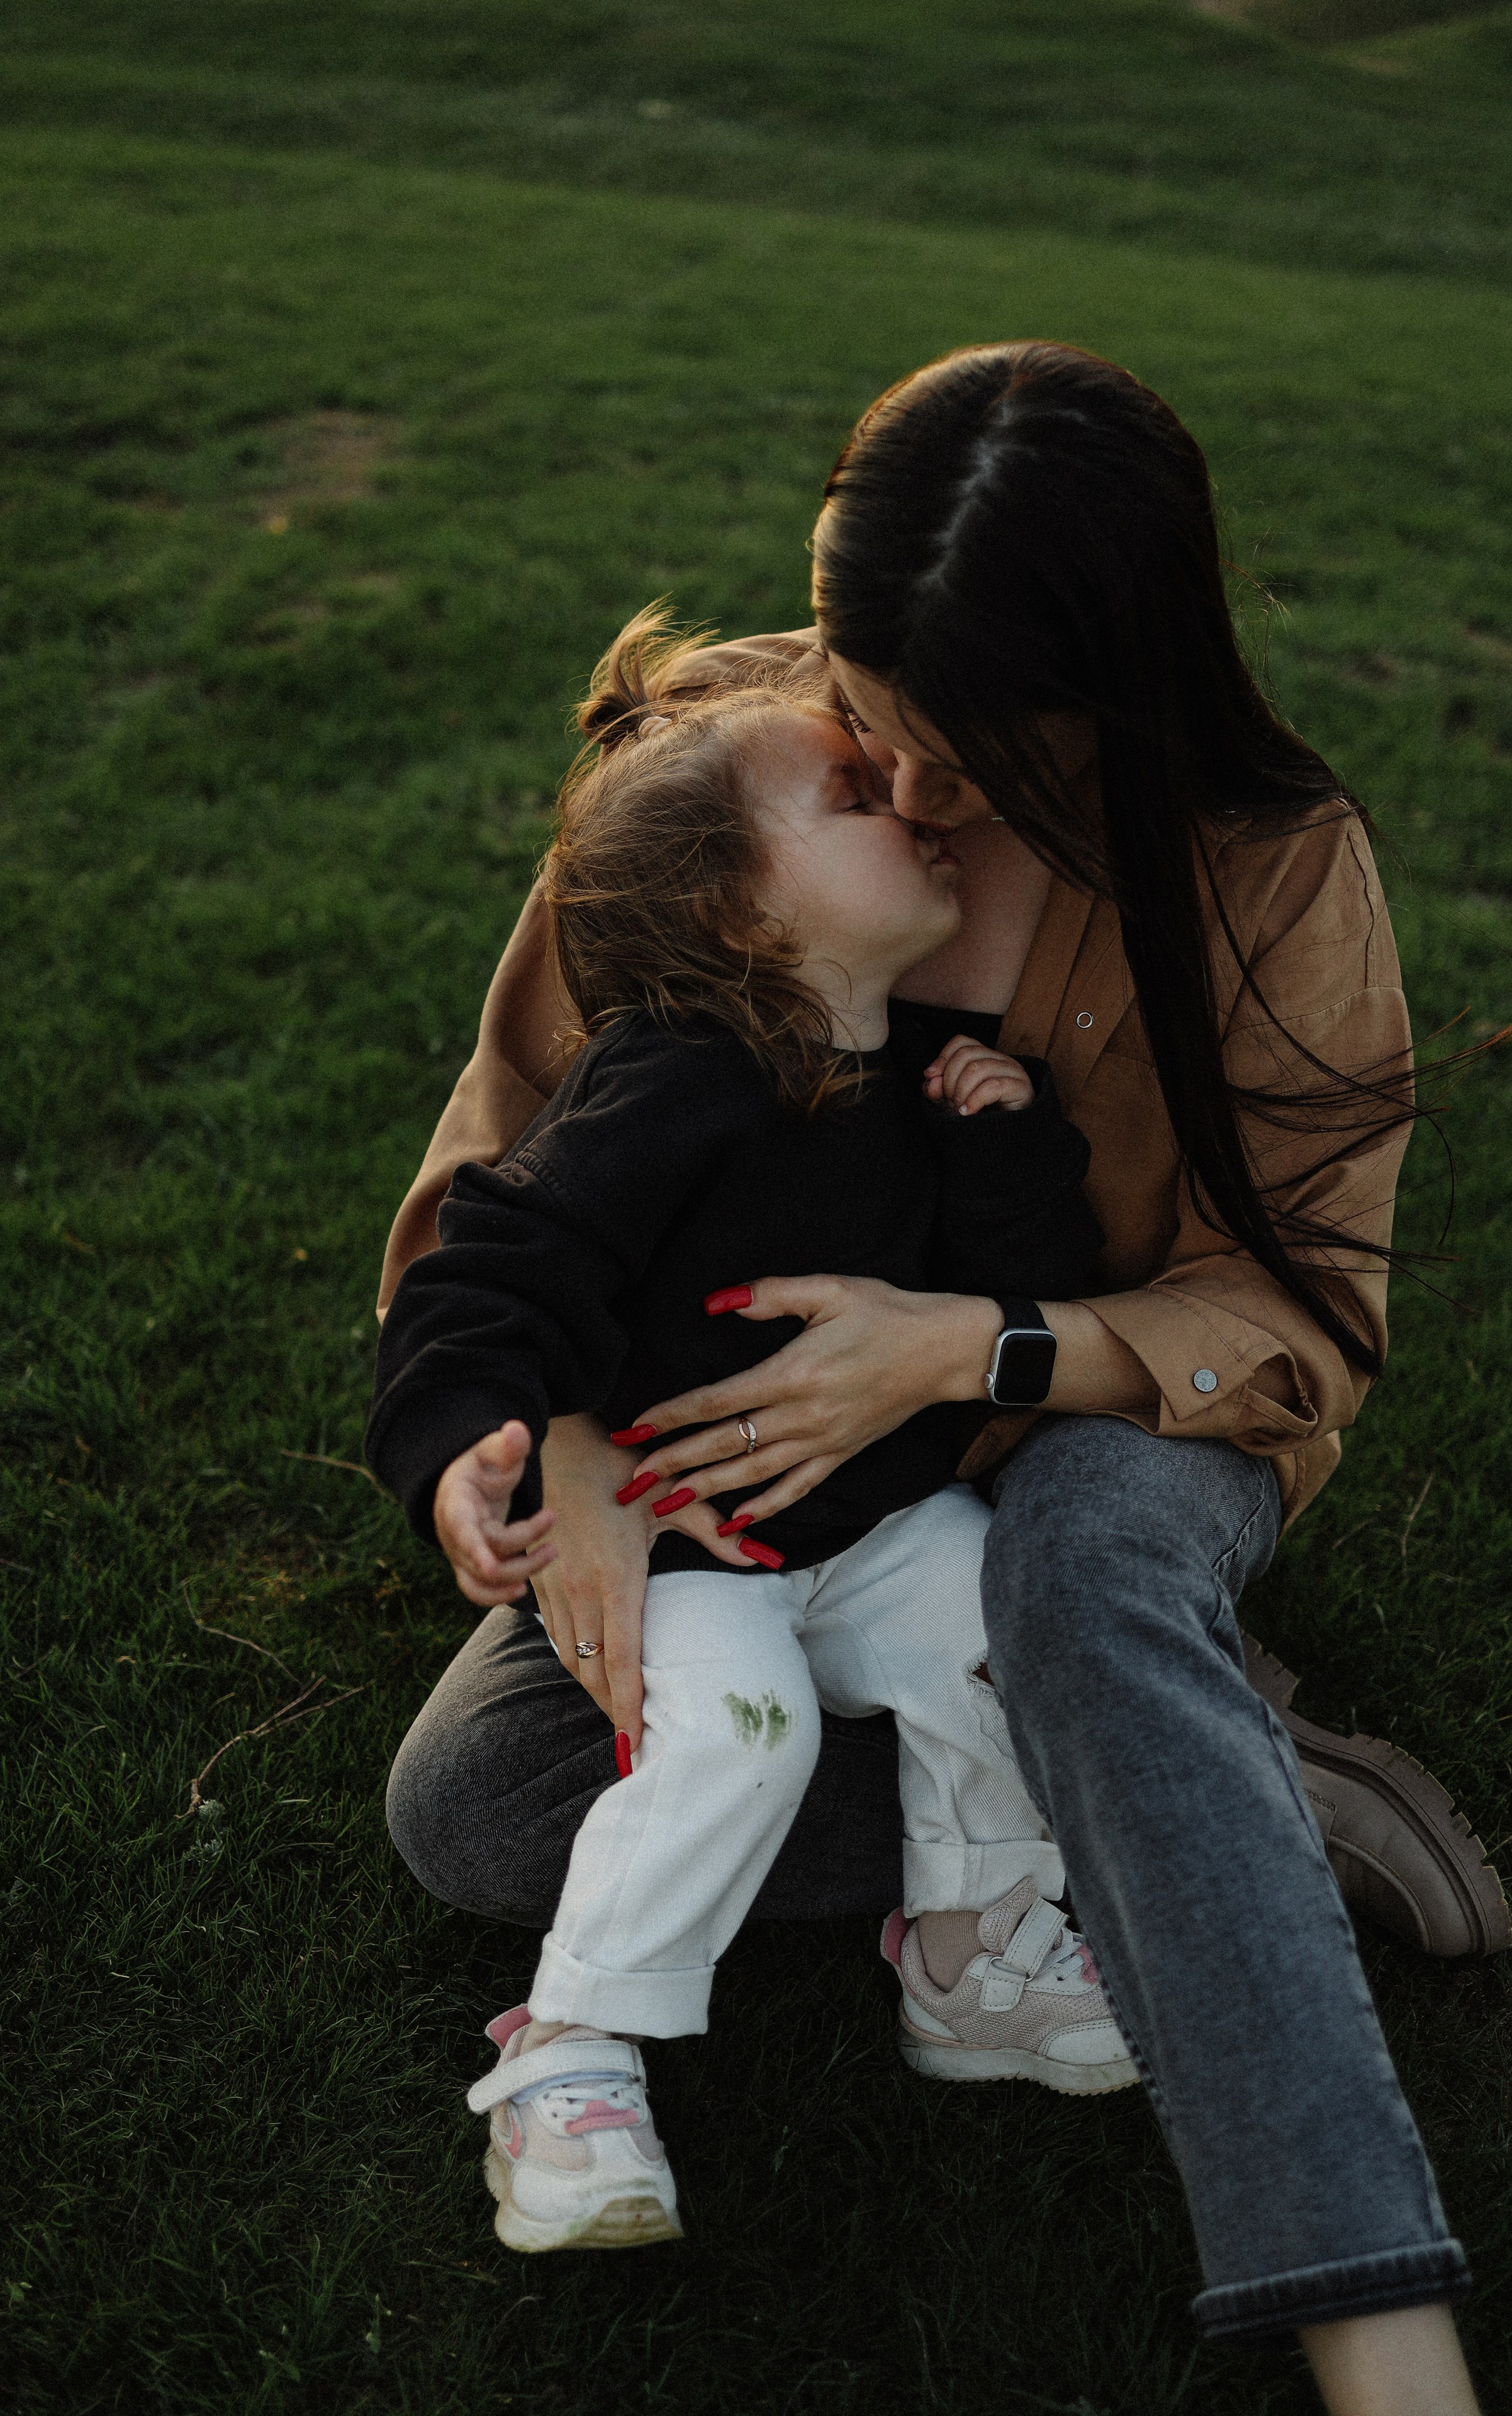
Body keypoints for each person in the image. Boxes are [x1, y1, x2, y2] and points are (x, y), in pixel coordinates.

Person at [378, 345, 1504, 2412]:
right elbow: (503, 1178)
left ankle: (1381, 2337)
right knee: (477, 1808)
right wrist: (583, 1446)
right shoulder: (717, 789)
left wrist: (967, 1347)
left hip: (1104, 1407)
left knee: (1072, 1593)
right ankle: (1197, 1797)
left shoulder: (1269, 865)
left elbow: (1306, 1309)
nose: (901, 792)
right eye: (867, 728)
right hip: (749, 1496)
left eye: (966, 755)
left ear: (1112, 695)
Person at [367, 622, 1134, 2256]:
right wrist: (471, 1440)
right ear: (741, 909)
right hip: (697, 1528)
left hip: (883, 1527)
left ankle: (967, 1956)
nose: (918, 810)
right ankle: (572, 2054)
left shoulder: (924, 1072)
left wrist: (1007, 1149)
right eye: (857, 795)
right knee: (740, 1741)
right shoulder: (673, 1082)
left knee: (996, 1642)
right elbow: (508, 1256)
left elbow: (1025, 1288)